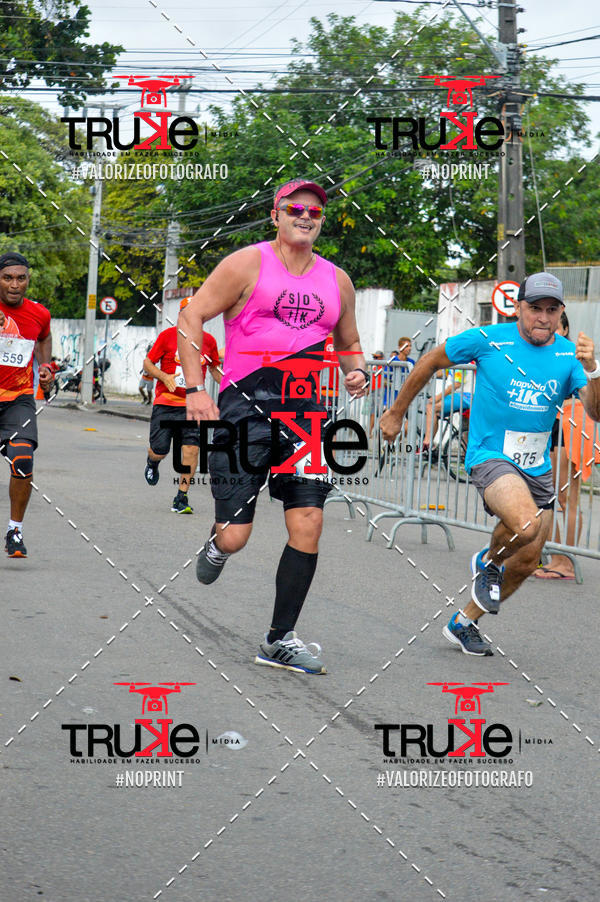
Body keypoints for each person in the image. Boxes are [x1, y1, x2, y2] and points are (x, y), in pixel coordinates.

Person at [178, 177, 368, 674]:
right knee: (237, 535)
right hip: (245, 409)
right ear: (276, 214)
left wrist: (356, 369)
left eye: (314, 210)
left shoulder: (337, 279)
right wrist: (196, 388)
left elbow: (349, 340)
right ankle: (218, 544)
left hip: (308, 415)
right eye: (295, 208)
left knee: (309, 521)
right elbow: (192, 316)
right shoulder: (246, 263)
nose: (305, 215)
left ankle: (279, 639)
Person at [381, 272, 600, 656]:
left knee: (528, 559)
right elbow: (432, 360)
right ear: (519, 308)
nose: (543, 318)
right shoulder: (489, 339)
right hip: (490, 455)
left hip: (537, 468)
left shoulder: (568, 356)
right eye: (535, 309)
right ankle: (489, 560)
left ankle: (464, 622)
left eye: (552, 310)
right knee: (525, 526)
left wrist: (594, 369)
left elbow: (596, 412)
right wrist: (397, 412)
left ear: (561, 312)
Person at [143, 298, 221, 514]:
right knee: (159, 451)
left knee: (192, 450)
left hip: (193, 406)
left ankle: (181, 497)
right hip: (166, 403)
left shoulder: (209, 342)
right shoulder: (167, 337)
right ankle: (153, 462)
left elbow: (215, 369)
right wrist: (163, 376)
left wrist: (230, 386)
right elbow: (147, 363)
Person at [0, 252, 54, 558]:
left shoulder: (39, 314)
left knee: (22, 460)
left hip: (18, 398)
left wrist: (47, 368)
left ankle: (14, 531)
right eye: (8, 277)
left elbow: (44, 337)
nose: (15, 284)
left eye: (21, 278)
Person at [535, 311, 592, 579]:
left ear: (566, 328)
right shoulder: (546, 354)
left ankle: (566, 562)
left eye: (555, 325)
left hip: (572, 424)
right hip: (555, 424)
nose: (548, 328)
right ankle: (557, 556)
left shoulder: (571, 356)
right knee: (552, 496)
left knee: (567, 497)